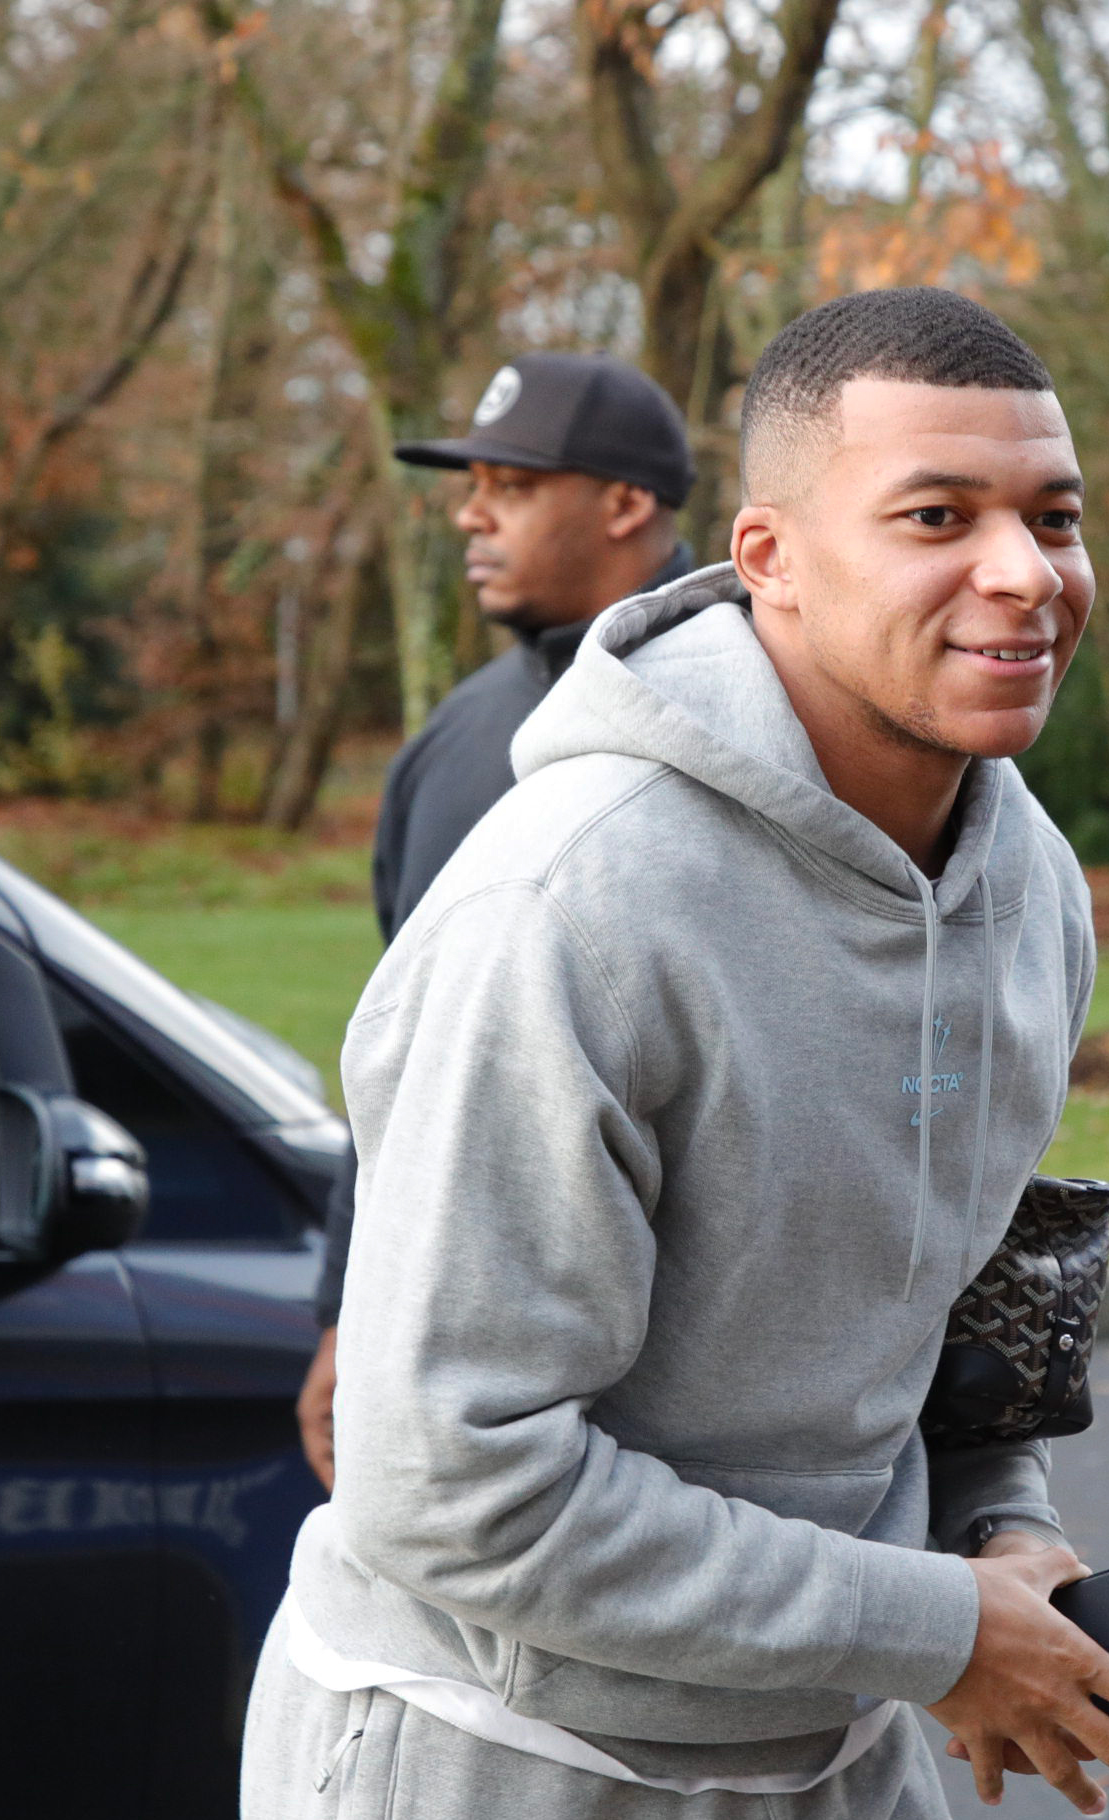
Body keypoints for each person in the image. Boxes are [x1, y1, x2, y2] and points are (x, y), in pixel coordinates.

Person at [242, 287, 1109, 1820]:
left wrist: (1000, 1534)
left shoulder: (1031, 891)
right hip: (502, 1754)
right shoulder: (569, 908)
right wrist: (937, 1633)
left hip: (836, 1743)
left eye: (1054, 518)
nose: (1023, 574)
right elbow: (449, 1485)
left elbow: (947, 1296)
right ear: (771, 562)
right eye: (936, 516)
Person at [297, 352, 696, 1489]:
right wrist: (344, 1309)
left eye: (511, 487)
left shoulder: (763, 711)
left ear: (626, 504)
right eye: (471, 484)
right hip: (474, 1388)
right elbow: (397, 1053)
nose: (470, 515)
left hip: (701, 1379)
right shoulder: (457, 744)